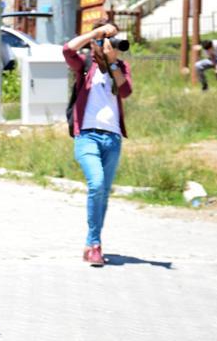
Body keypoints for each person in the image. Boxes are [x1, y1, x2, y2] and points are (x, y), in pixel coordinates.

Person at [64, 20, 133, 267]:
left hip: (112, 138)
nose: (113, 43)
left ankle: (93, 243)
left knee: (103, 193)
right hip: (87, 136)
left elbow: (125, 92)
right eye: (108, 38)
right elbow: (67, 50)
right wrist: (95, 34)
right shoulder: (84, 64)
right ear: (96, 41)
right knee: (97, 183)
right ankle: (94, 244)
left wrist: (113, 62)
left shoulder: (120, 66)